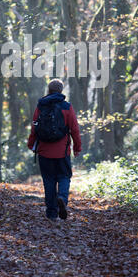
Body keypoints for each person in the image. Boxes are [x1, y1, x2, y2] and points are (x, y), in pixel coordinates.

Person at [27, 79, 82, 221]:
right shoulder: (67, 107)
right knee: (64, 177)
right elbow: (74, 129)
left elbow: (35, 127)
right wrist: (77, 147)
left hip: (44, 151)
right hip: (62, 151)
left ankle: (51, 213)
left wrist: (31, 144)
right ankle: (62, 198)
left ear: (49, 90)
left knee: (48, 180)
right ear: (61, 91)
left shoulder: (41, 106)